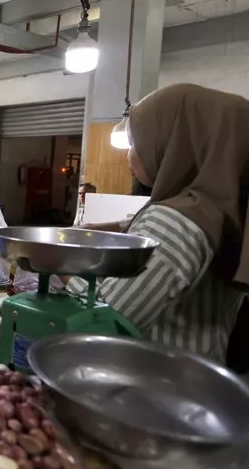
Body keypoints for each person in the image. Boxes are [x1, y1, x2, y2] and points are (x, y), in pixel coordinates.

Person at [66, 84, 249, 364]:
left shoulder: (174, 220)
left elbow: (105, 319)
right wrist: (87, 230)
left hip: (150, 378)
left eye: (135, 143)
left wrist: (60, 264)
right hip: (199, 372)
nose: (128, 156)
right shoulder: (220, 209)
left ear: (175, 144)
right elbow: (136, 227)